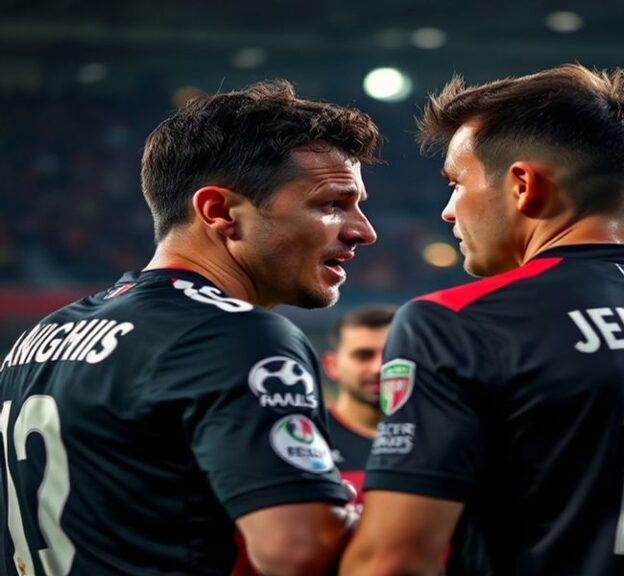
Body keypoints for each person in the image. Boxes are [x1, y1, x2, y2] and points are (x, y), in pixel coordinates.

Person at [340, 64, 624, 576]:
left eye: (456, 183)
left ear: (523, 185)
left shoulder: (459, 322)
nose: (449, 211)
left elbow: (393, 561)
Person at [0, 80, 380, 575]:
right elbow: (300, 548)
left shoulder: (39, 339)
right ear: (219, 211)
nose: (363, 231)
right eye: (332, 203)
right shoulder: (233, 335)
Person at [323, 305, 397, 507]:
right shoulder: (310, 438)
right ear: (332, 365)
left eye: (392, 353)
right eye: (364, 355)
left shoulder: (438, 439)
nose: (378, 367)